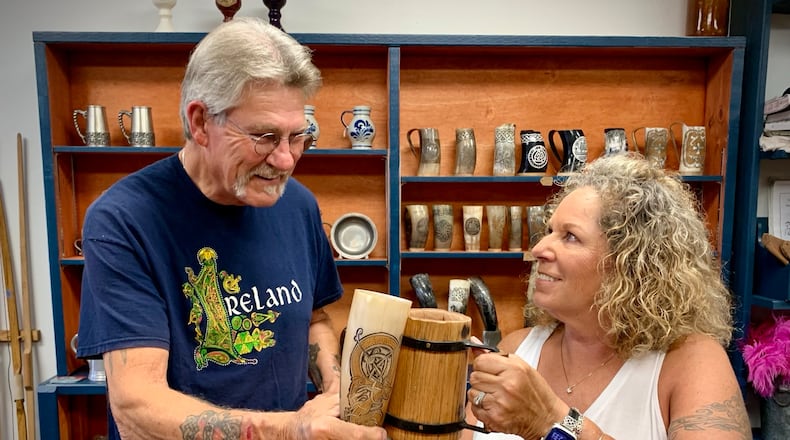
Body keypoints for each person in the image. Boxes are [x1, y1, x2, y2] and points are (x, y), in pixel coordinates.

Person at [76, 17, 386, 440]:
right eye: (264, 136)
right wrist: (291, 430)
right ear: (201, 122)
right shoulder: (124, 220)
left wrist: (336, 390)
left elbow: (313, 319)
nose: (286, 160)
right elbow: (136, 408)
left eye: (298, 137)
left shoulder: (297, 204)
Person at [463, 153, 750, 439]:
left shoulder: (691, 363)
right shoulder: (518, 348)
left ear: (630, 261)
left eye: (570, 236)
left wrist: (551, 422)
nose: (539, 249)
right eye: (549, 231)